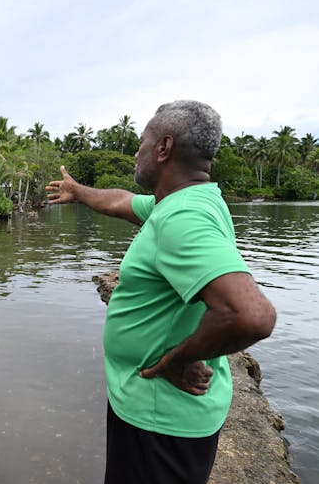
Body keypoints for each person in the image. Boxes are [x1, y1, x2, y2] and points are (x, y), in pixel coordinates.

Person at [46, 100, 276, 484]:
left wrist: (175, 360)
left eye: (141, 142)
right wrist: (78, 191)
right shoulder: (183, 202)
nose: (137, 152)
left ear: (164, 148)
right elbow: (121, 202)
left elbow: (252, 315)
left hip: (160, 423)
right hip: (156, 415)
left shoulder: (183, 217)